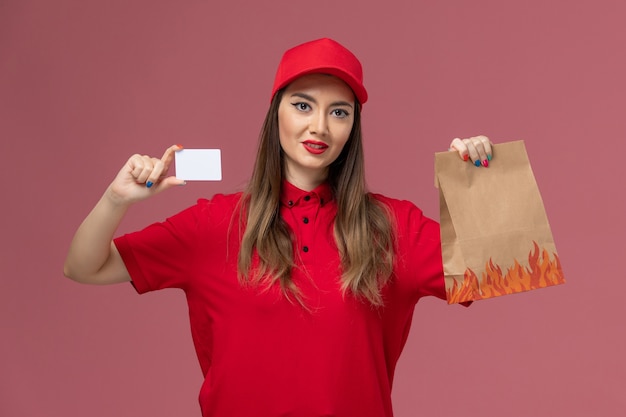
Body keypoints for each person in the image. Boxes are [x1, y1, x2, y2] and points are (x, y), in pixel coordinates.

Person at [64, 38, 493, 417]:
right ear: (276, 114)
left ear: (352, 129)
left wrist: (480, 181)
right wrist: (116, 199)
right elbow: (85, 266)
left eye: (339, 112)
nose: (319, 126)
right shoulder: (214, 224)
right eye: (303, 105)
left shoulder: (393, 227)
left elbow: (499, 270)